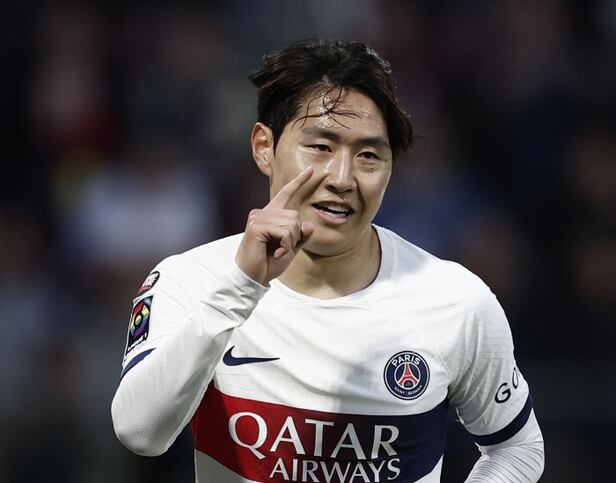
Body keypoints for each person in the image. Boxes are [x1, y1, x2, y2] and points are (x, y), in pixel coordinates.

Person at [111, 39, 544, 482]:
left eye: (368, 155)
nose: (342, 178)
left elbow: (518, 447)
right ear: (263, 147)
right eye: (320, 146)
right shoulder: (191, 280)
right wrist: (240, 286)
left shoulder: (455, 301)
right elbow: (140, 432)